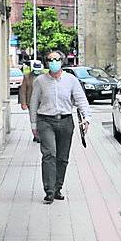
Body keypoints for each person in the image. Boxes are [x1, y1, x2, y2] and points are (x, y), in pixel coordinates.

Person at [28, 49, 91, 204]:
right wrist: (34, 124)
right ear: (47, 62)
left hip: (65, 121)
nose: (53, 62)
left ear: (62, 61)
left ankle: (57, 188)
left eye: (56, 59)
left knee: (62, 158)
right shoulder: (40, 81)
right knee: (50, 154)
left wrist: (86, 118)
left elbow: (81, 99)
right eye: (50, 60)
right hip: (46, 121)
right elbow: (34, 103)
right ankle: (49, 190)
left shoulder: (71, 80)